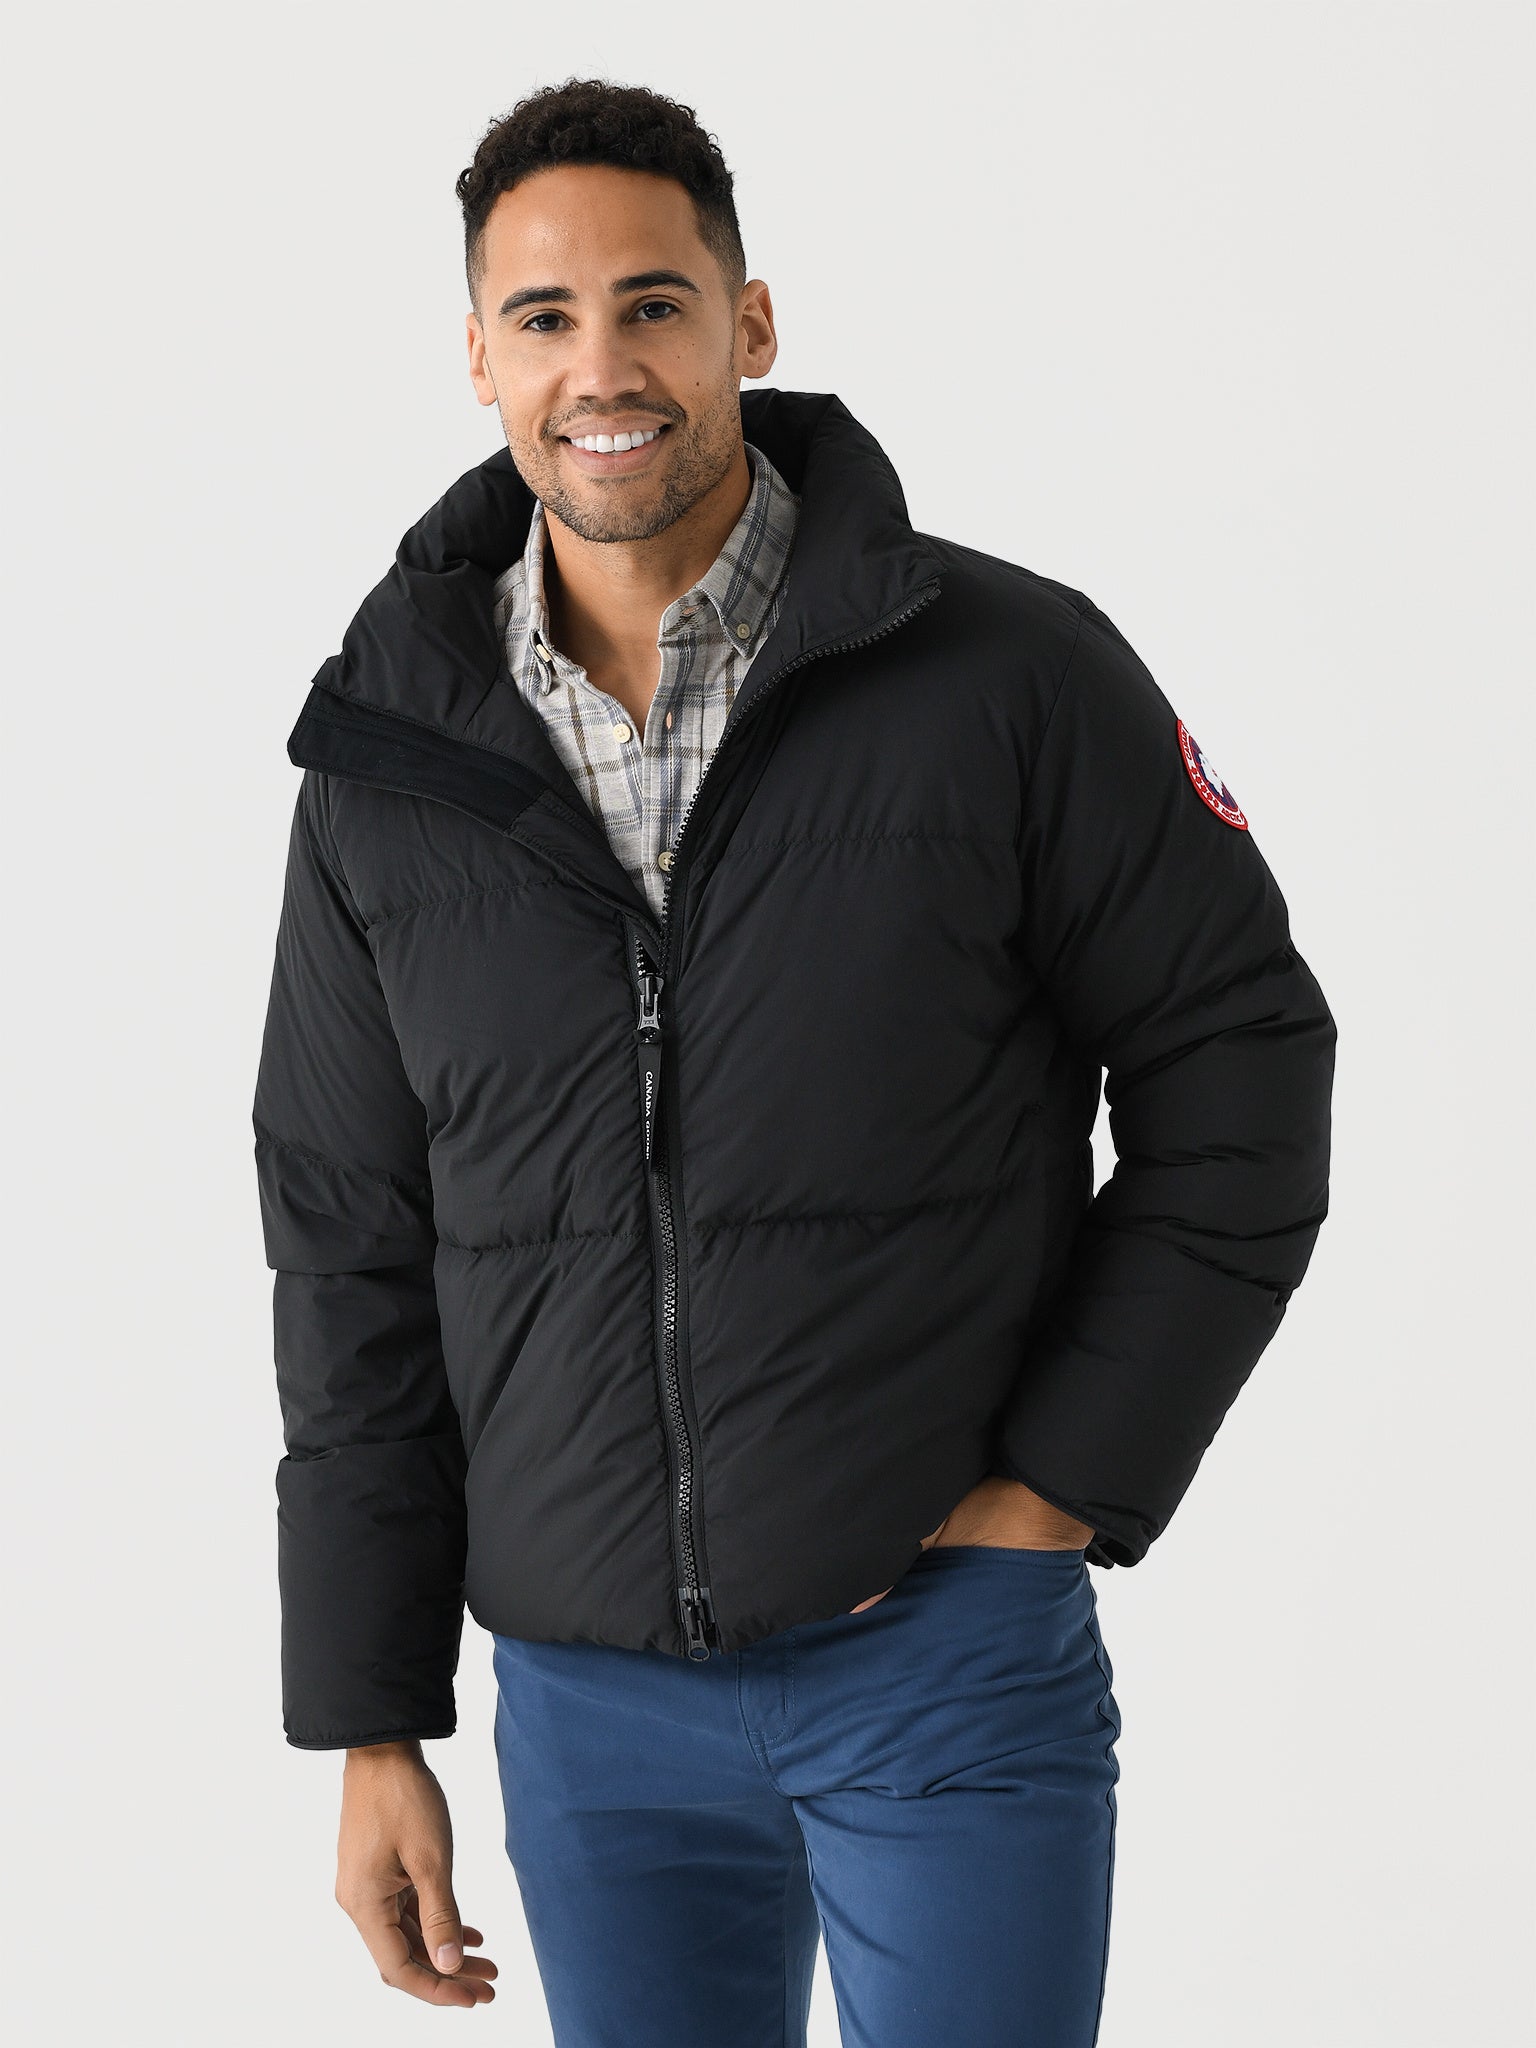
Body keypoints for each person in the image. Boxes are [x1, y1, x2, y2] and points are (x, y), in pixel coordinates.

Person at [251, 76, 1336, 2048]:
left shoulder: (1010, 676)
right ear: (480, 356)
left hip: (939, 1654)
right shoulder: (389, 762)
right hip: (583, 1706)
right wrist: (372, 1717)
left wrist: (1062, 1486)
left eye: (654, 305)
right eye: (546, 317)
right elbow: (349, 1249)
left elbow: (1243, 1064)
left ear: (748, 324)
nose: (603, 367)